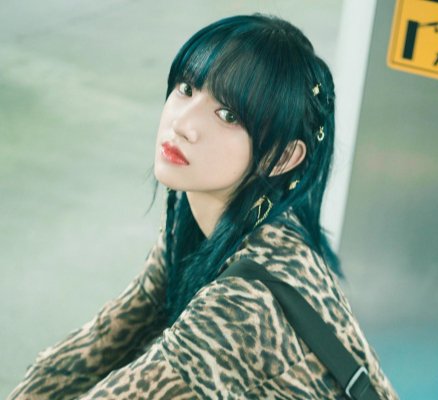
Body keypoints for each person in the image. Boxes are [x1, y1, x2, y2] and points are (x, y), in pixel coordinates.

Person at [8, 14, 399, 399]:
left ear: (280, 158)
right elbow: (102, 341)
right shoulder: (210, 223)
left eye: (228, 115)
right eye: (186, 88)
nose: (182, 123)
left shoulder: (245, 307)